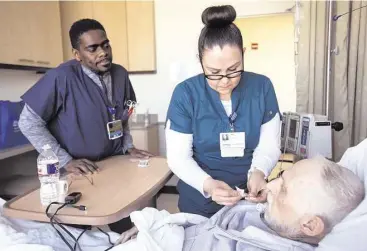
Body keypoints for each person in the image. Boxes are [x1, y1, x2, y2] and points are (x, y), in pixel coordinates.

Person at [18, 18, 153, 233]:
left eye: (106, 45)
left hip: (113, 164)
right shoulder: (61, 77)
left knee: (124, 221)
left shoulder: (120, 74)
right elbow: (28, 122)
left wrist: (127, 146)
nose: (103, 52)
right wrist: (65, 160)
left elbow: (124, 114)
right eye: (93, 48)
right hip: (77, 174)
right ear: (77, 54)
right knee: (77, 232)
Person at [165, 5, 281, 217]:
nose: (225, 81)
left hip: (248, 198)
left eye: (234, 69)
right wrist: (208, 185)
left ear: (244, 55)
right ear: (200, 61)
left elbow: (269, 145)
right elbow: (178, 158)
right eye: (214, 73)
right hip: (200, 202)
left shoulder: (262, 87)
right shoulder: (185, 94)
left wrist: (259, 172)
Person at [115, 156, 365, 250]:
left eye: (285, 189)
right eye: (280, 177)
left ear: (310, 225)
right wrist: (159, 224)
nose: (272, 185)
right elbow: (209, 229)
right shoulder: (272, 219)